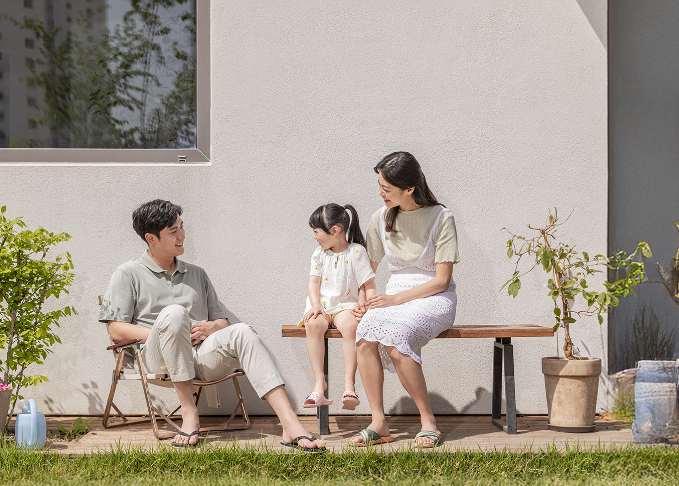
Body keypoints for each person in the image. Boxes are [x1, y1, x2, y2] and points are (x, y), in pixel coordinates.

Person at [100, 199, 327, 452]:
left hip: (201, 357)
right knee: (175, 314)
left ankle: (290, 425)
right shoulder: (127, 273)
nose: (182, 236)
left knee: (242, 331)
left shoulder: (197, 274)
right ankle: (189, 413)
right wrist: (170, 333)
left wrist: (211, 328)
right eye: (173, 231)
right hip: (157, 358)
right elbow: (115, 329)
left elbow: (222, 321)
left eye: (181, 227)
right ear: (151, 238)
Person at [348, 151, 458, 449]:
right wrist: (363, 300)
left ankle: (428, 421)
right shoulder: (379, 218)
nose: (380, 193)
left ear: (409, 188)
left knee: (396, 339)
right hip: (391, 297)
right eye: (379, 187)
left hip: (434, 297)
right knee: (364, 335)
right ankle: (378, 422)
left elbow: (441, 280)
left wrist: (394, 299)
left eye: (386, 188)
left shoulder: (441, 218)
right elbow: (366, 272)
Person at [298, 203, 376, 411]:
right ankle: (319, 383)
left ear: (335, 231)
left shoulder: (357, 252)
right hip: (322, 306)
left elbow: (366, 284)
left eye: (316, 232)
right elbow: (313, 283)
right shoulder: (319, 254)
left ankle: (349, 384)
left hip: (345, 307)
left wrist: (363, 303)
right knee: (313, 324)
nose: (314, 237)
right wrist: (315, 305)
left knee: (351, 326)